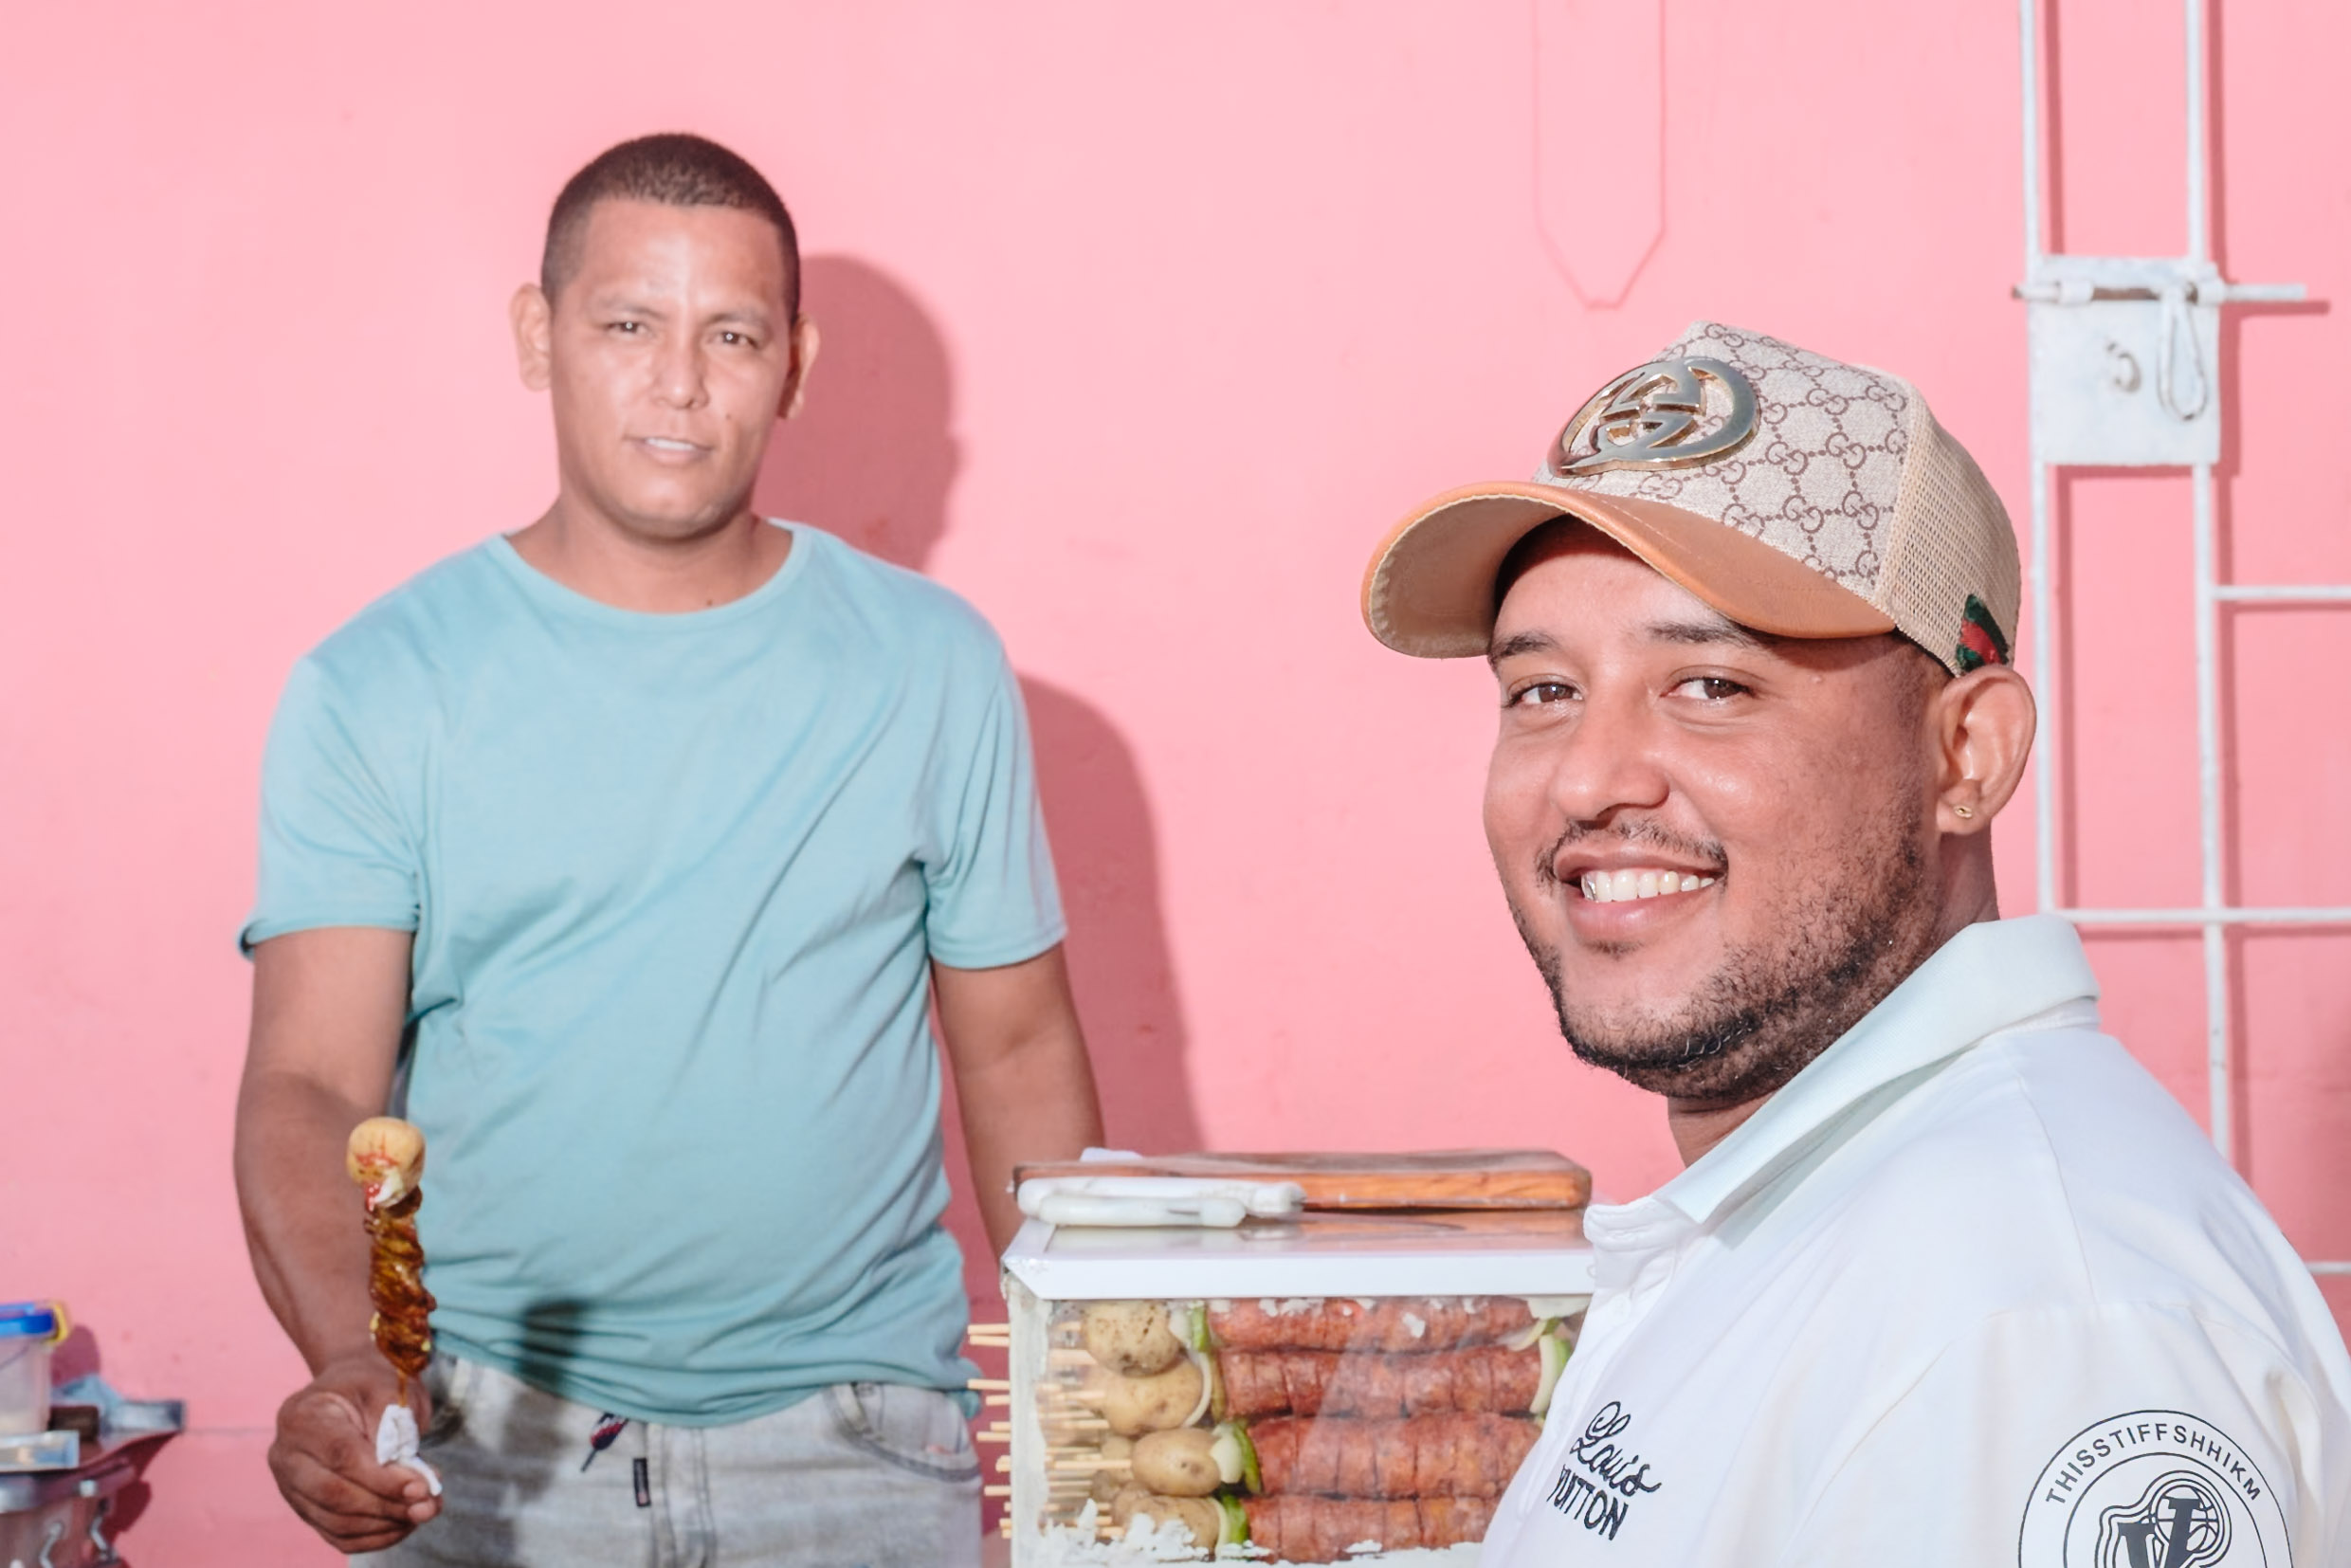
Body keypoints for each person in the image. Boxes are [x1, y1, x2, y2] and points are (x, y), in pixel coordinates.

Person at [232, 133, 1103, 1566]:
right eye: (629, 325)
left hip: (861, 1450)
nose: (681, 382)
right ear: (539, 335)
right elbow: (311, 1080)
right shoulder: (378, 684)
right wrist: (350, 1358)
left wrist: (1095, 1407)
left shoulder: (934, 665)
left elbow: (1017, 1052)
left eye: (732, 335)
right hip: (488, 1448)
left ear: (795, 365)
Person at [1358, 322, 2351, 1565]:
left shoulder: (2034, 1330)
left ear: (1965, 755)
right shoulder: (1840, 1227)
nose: (1589, 779)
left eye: (1711, 685)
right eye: (1543, 691)